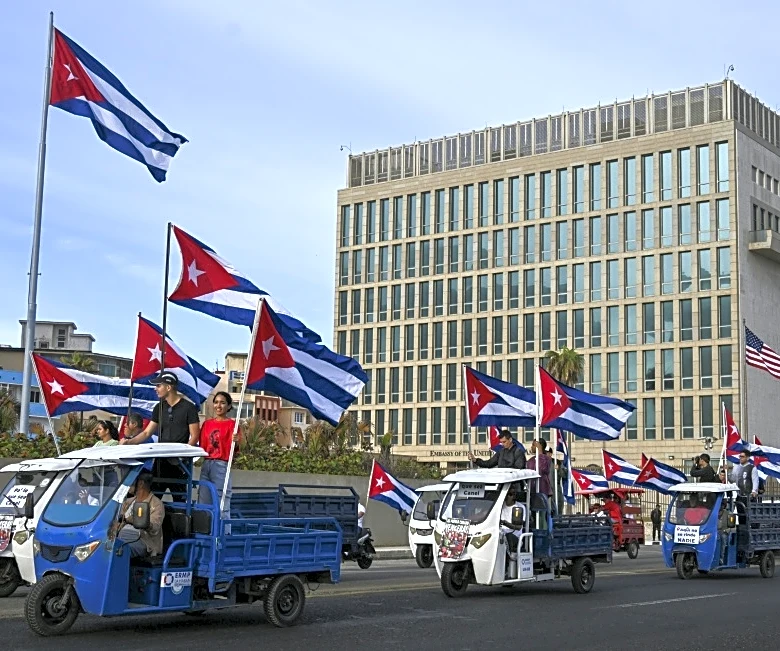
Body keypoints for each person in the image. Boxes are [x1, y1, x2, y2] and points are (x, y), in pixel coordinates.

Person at [121, 372, 200, 501]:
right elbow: (147, 433)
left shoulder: (189, 407)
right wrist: (128, 442)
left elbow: (195, 435)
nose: (155, 389)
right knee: (151, 499)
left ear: (168, 387)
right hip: (160, 463)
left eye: (158, 385)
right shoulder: (159, 407)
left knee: (180, 502)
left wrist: (183, 456)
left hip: (179, 465)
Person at [198, 391, 241, 527]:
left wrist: (237, 440)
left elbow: (239, 447)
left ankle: (223, 533)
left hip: (221, 465)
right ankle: (204, 531)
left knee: (222, 501)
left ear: (228, 406)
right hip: (206, 463)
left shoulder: (232, 425)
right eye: (216, 402)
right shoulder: (207, 424)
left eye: (222, 403)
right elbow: (202, 445)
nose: (218, 405)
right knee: (203, 501)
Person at [111, 472, 165, 558]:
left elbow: (155, 526)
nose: (128, 484)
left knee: (120, 551)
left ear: (140, 483)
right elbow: (118, 518)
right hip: (121, 538)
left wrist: (137, 520)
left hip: (142, 540)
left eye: (131, 481)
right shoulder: (128, 502)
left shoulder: (156, 504)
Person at [499, 485, 524, 577]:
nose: (511, 496)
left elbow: (518, 526)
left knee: (507, 536)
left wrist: (506, 523)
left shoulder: (519, 508)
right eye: (509, 494)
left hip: (515, 537)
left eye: (513, 494)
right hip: (500, 534)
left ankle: (506, 567)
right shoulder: (500, 507)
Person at [526, 440, 552, 510]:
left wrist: (540, 452)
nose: (532, 447)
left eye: (533, 445)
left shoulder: (546, 459)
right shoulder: (531, 460)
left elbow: (543, 468)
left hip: (542, 491)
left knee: (541, 516)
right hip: (531, 491)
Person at [717, 500, 730, 565]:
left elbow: (732, 526)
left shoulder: (728, 513)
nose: (720, 506)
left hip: (724, 531)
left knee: (723, 538)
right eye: (719, 504)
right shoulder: (714, 512)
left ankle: (721, 558)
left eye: (722, 505)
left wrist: (725, 531)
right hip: (715, 531)